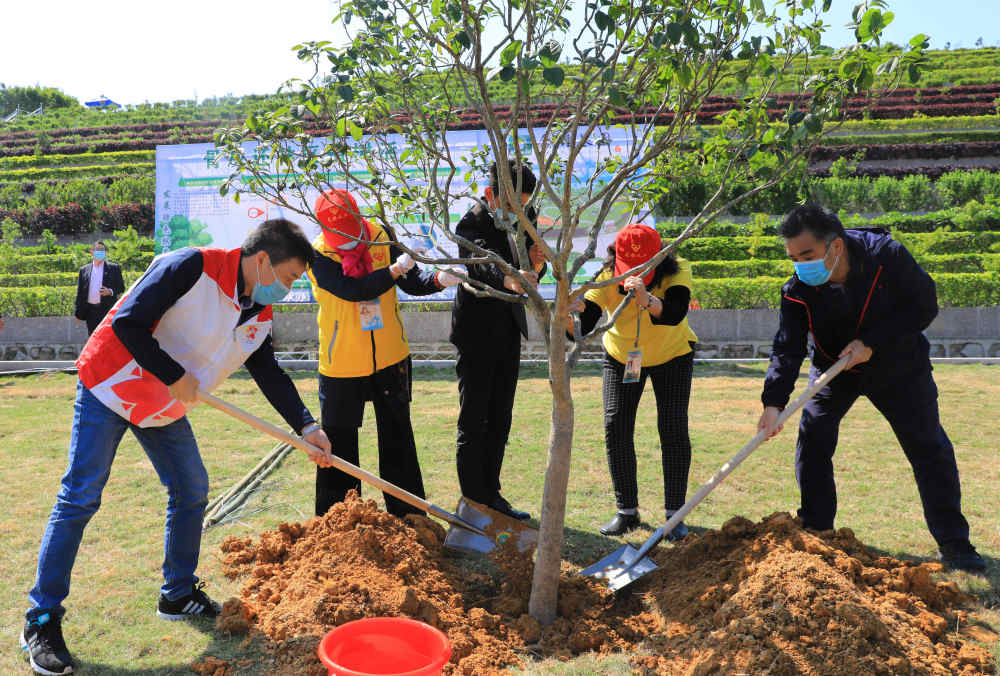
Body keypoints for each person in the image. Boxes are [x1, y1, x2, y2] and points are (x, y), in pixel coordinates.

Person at [21, 219, 334, 676]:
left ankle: (178, 593)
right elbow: (128, 322)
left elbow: (269, 373)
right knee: (80, 496)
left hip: (162, 406)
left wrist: (307, 425)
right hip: (111, 385)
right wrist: (174, 375)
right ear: (263, 260)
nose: (287, 289)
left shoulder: (259, 314)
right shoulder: (190, 266)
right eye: (287, 277)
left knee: (191, 489)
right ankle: (42, 619)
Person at [757, 205, 986, 572]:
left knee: (928, 447)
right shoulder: (798, 289)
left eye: (807, 256)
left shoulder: (886, 256)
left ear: (835, 247)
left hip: (899, 364)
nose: (800, 265)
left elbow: (924, 305)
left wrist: (872, 342)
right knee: (813, 437)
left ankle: (956, 544)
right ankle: (818, 532)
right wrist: (773, 402)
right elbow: (787, 346)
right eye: (793, 258)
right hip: (834, 368)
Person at [307, 188, 460, 518]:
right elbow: (354, 291)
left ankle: (409, 516)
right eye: (336, 232)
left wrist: (439, 279)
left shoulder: (380, 235)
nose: (344, 237)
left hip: (390, 356)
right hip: (341, 364)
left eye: (349, 227)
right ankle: (339, 522)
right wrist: (394, 270)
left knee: (397, 437)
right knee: (339, 445)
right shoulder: (318, 255)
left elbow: (411, 280)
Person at [568, 223, 698, 537]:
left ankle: (673, 515)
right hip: (623, 357)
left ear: (661, 257)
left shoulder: (677, 270)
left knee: (673, 427)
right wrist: (569, 314)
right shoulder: (607, 276)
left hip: (673, 354)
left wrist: (647, 299)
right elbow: (582, 327)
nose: (635, 273)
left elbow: (675, 312)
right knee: (616, 425)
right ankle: (627, 511)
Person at [449, 160, 546, 521]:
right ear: (492, 194)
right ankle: (473, 502)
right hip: (476, 333)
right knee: (475, 419)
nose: (518, 212)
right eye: (511, 204)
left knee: (500, 416)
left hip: (508, 329)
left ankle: (492, 493)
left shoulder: (526, 216)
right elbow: (480, 263)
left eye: (523, 204)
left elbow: (534, 264)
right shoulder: (470, 223)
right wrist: (509, 279)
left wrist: (538, 266)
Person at [74, 241, 125, 335]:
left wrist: (110, 291)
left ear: (106, 253)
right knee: (93, 337)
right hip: (90, 311)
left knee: (107, 337)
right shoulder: (84, 270)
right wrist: (77, 312)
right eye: (97, 250)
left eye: (102, 250)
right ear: (92, 252)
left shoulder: (114, 268)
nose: (100, 252)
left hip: (107, 310)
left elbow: (121, 287)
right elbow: (80, 292)